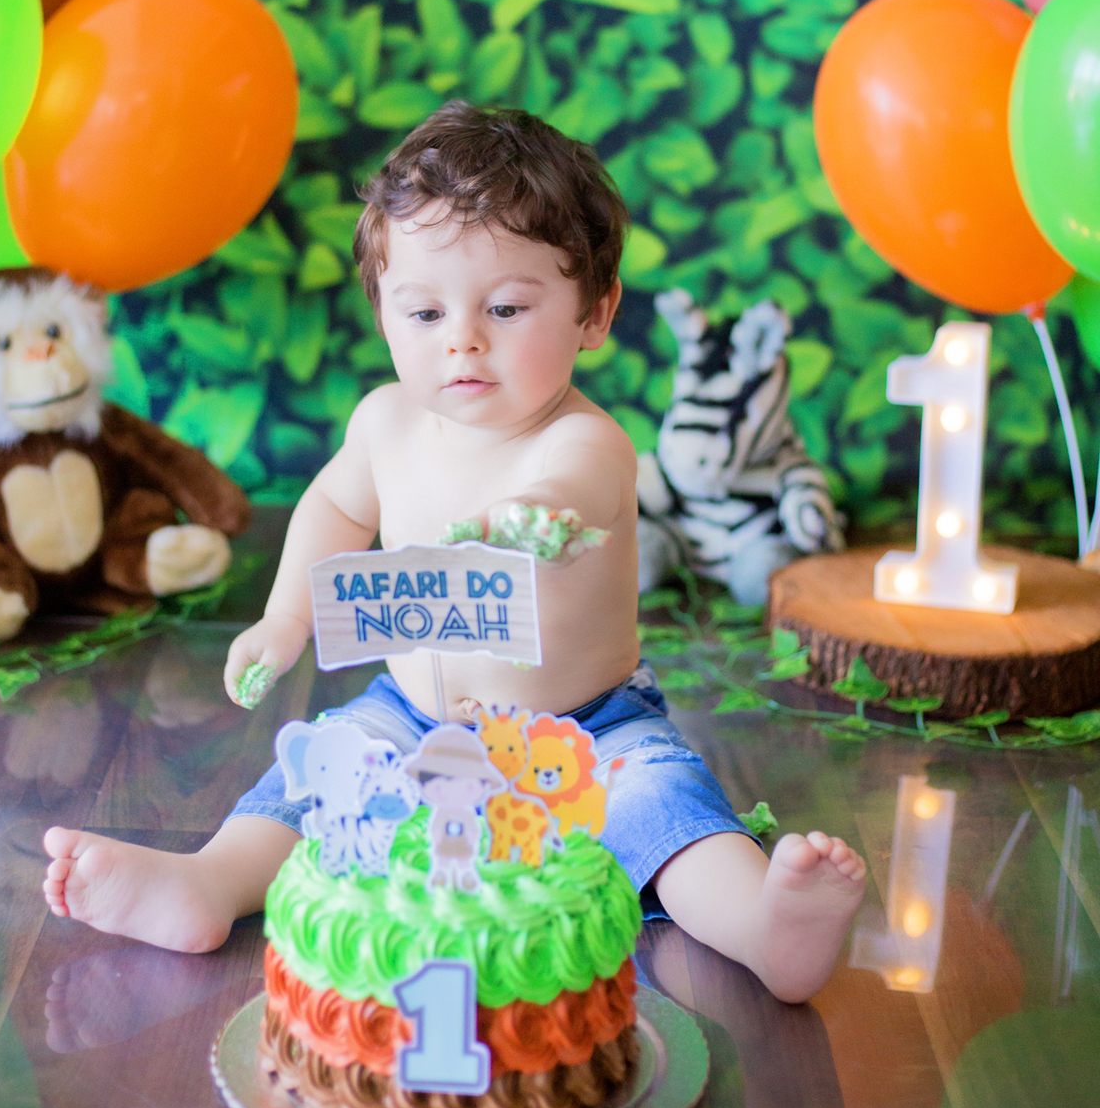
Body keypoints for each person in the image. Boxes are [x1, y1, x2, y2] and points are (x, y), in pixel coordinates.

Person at [43, 103, 865, 1002]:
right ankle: (208, 883)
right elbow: (330, 507)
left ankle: (767, 926)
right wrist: (284, 619)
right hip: (415, 713)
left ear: (596, 311)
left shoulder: (585, 442)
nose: (462, 338)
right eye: (426, 310)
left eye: (507, 307)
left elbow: (574, 496)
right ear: (383, 312)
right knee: (318, 768)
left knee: (665, 811)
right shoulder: (385, 423)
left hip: (588, 728)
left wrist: (526, 519)